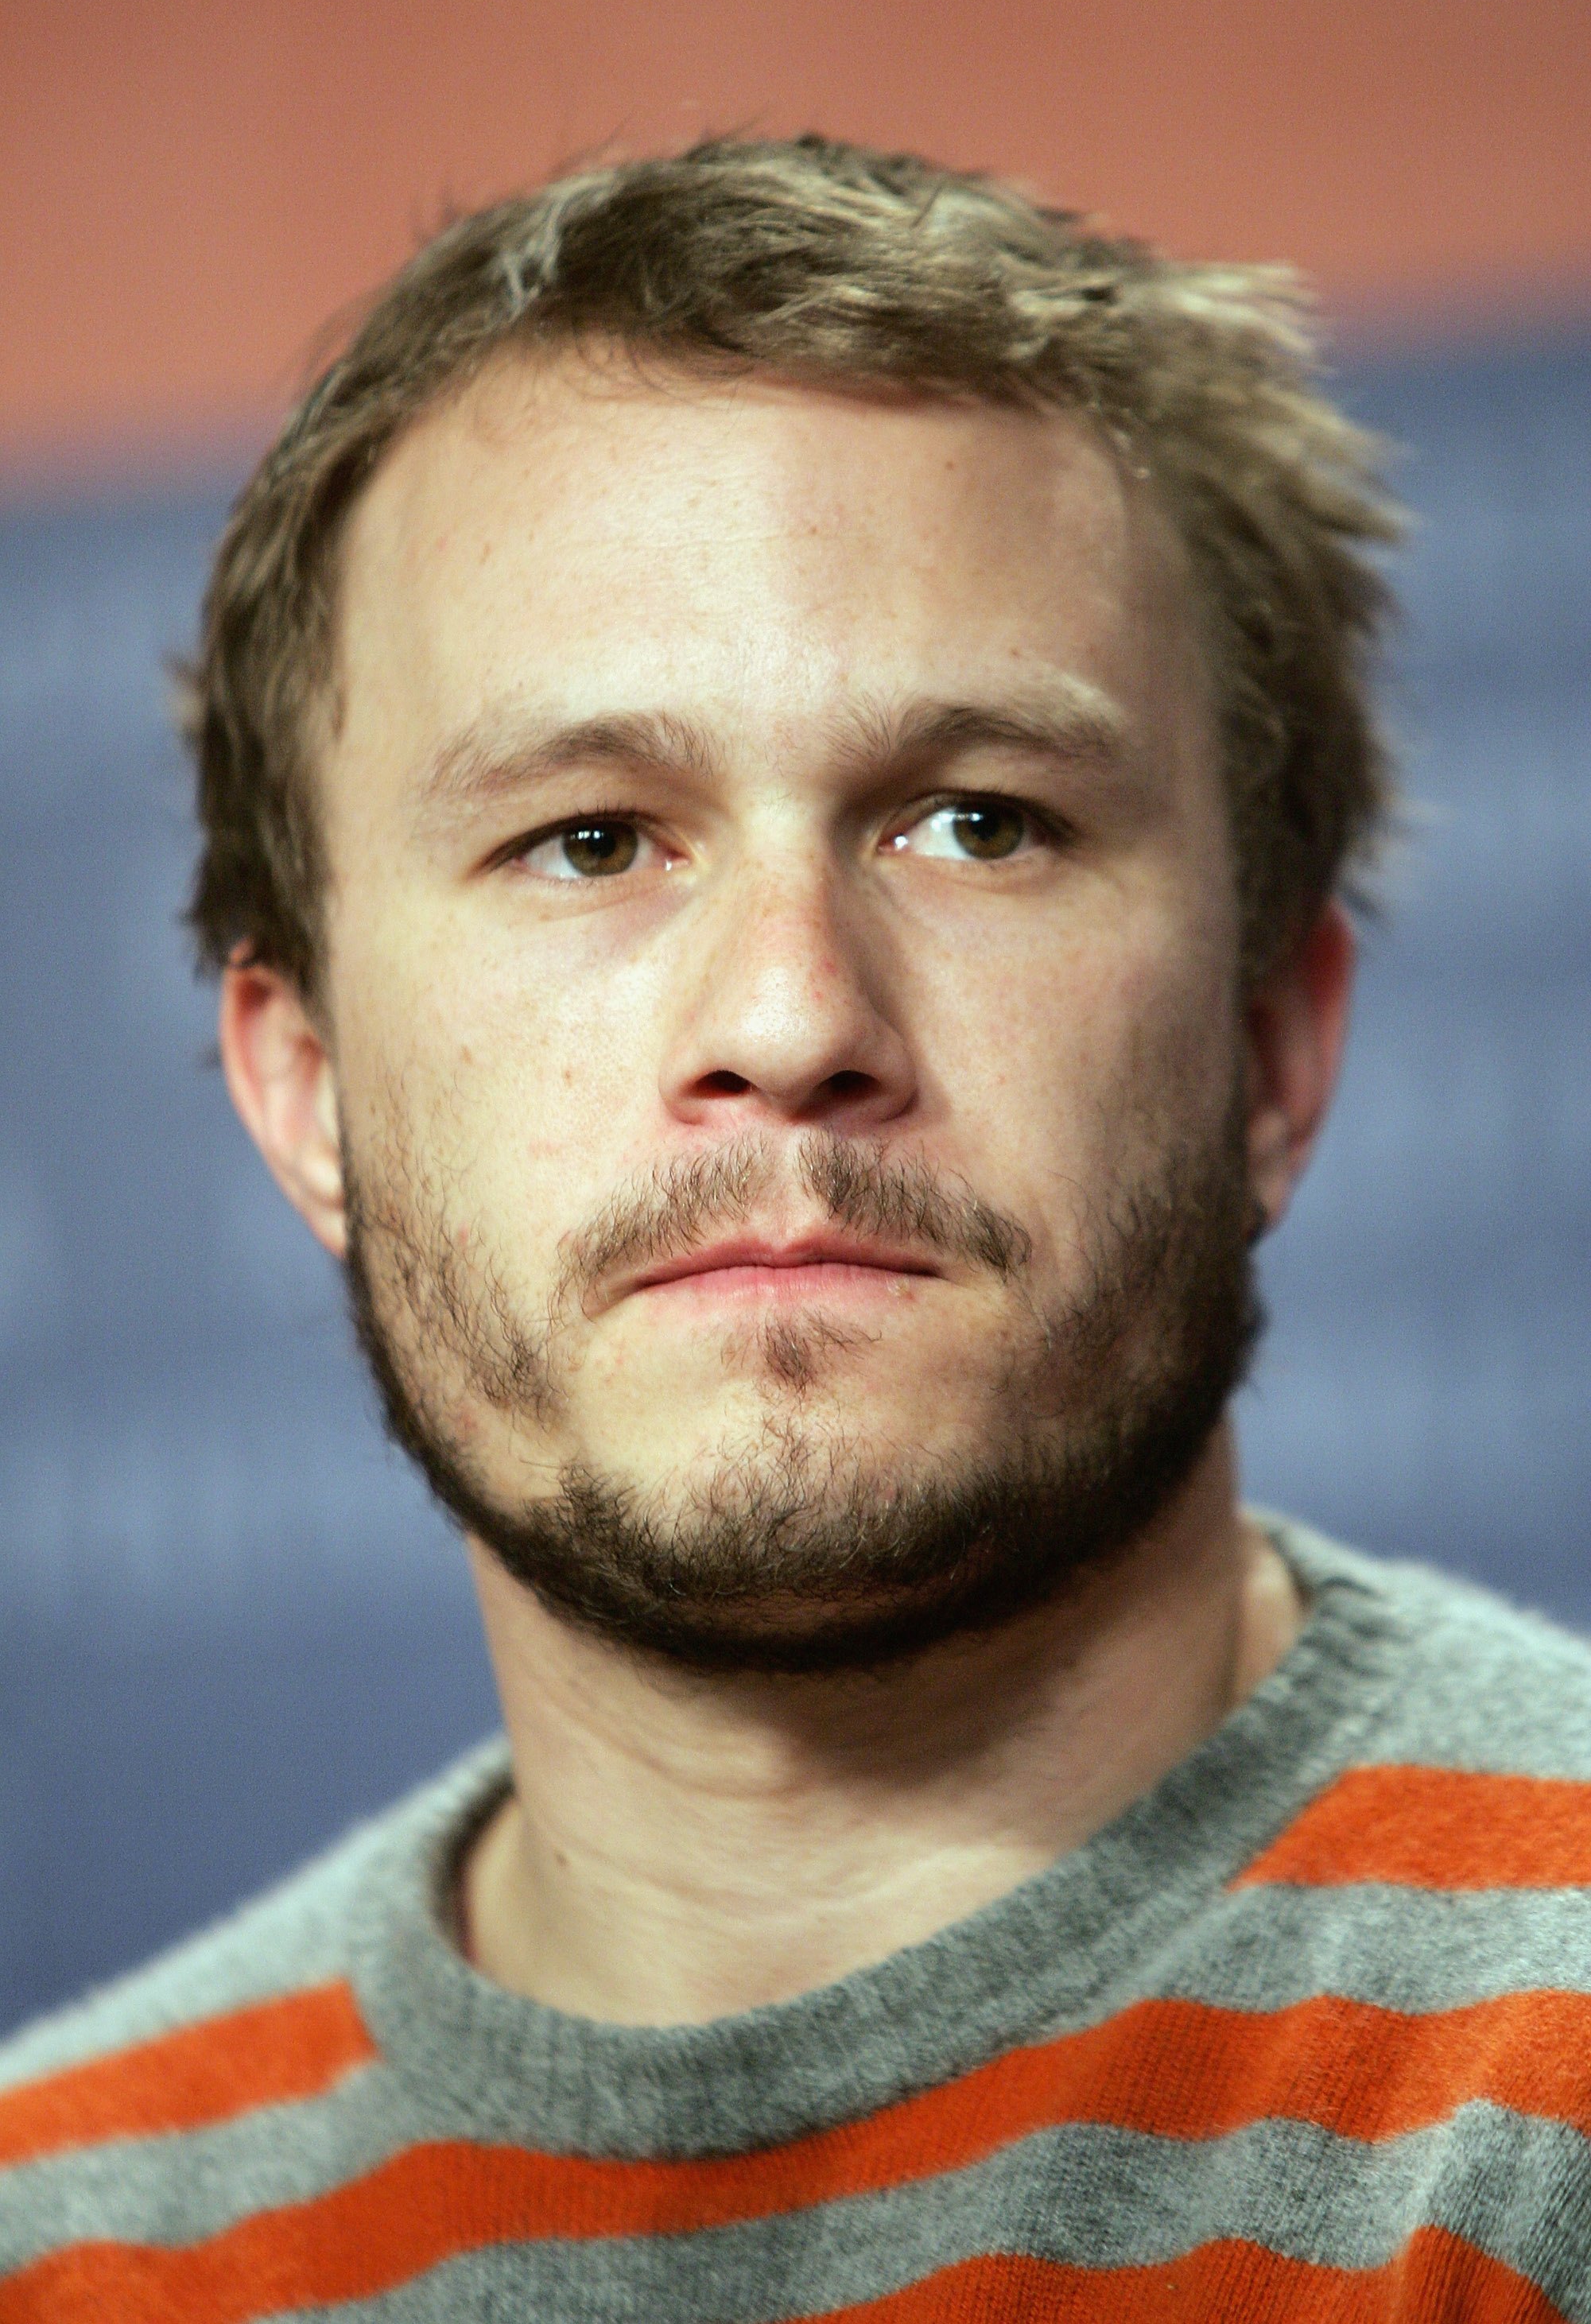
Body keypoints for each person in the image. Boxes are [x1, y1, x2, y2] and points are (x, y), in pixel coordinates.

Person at [2, 135, 1588, 2322]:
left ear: (1267, 1051)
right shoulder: (60, 2246)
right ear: (307, 1090)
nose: (787, 1017)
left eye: (978, 823)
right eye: (584, 839)